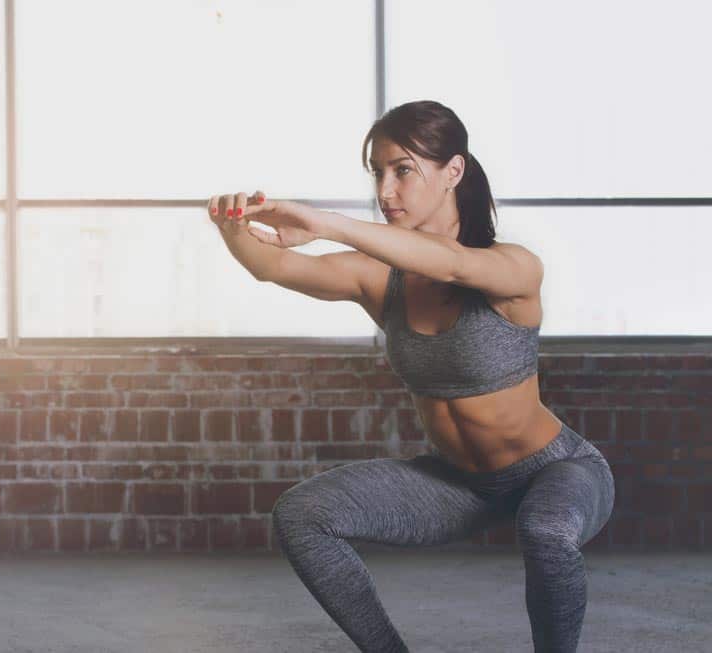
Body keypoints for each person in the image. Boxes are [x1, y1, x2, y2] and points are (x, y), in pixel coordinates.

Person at [206, 99, 615, 652]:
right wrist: (232, 225)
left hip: (556, 471)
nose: (385, 190)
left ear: (454, 171)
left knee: (544, 530)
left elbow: (448, 263)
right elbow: (274, 265)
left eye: (403, 170)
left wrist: (325, 222)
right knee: (302, 516)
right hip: (461, 485)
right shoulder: (383, 281)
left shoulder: (511, 267)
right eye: (378, 172)